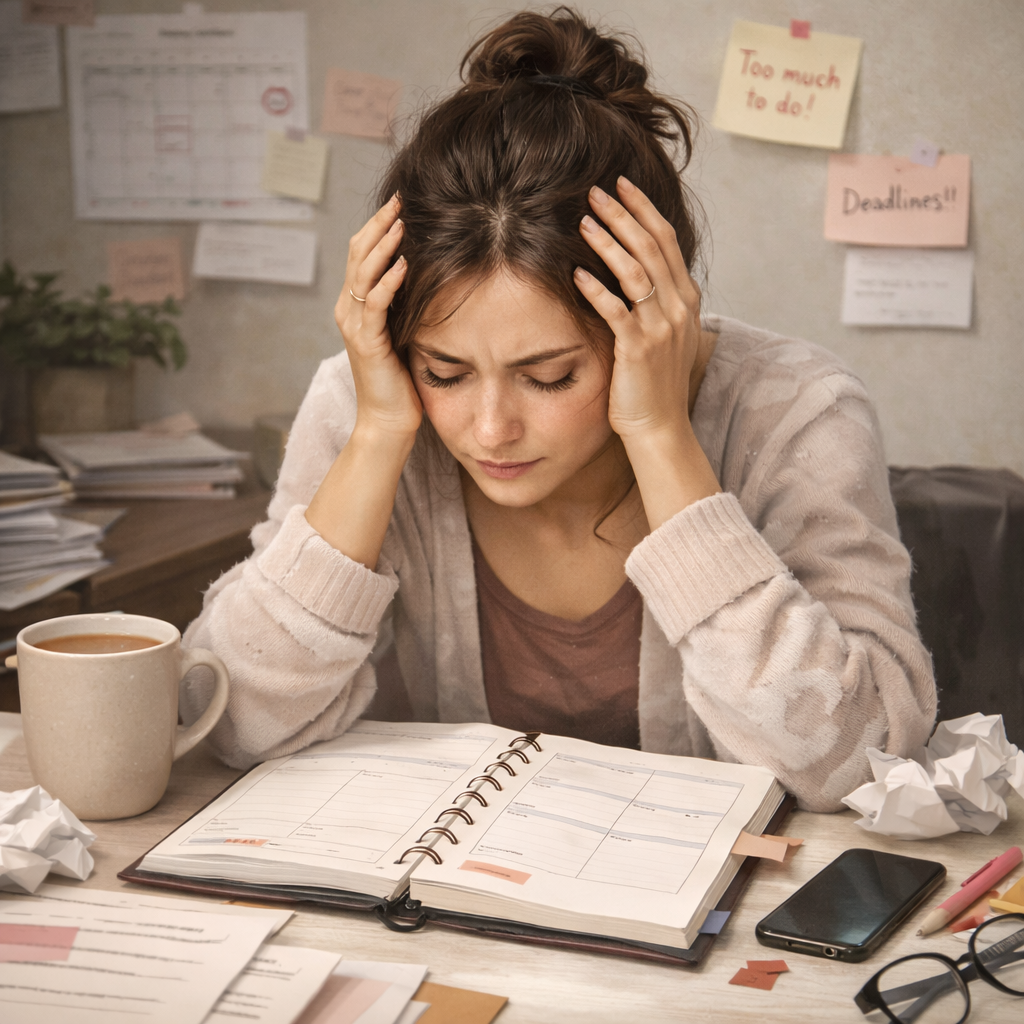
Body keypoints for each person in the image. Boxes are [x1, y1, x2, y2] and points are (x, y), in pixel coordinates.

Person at [181, 8, 936, 812]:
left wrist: (661, 436)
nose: (490, 428)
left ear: (650, 322)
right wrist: (375, 437)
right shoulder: (370, 400)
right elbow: (227, 722)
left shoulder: (798, 413)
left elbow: (860, 762)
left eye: (548, 377)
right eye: (446, 370)